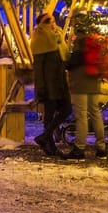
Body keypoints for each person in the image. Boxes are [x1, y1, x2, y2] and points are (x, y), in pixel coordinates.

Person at [63, 21, 108, 160]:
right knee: (96, 114)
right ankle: (101, 148)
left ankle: (79, 148)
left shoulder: (80, 44)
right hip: (94, 83)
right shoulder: (95, 44)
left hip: (81, 84)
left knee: (81, 116)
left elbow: (71, 63)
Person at [28, 11, 69, 157]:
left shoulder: (57, 37)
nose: (52, 23)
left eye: (52, 20)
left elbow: (64, 58)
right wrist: (41, 88)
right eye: (48, 21)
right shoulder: (40, 39)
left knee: (67, 109)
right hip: (49, 83)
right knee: (49, 115)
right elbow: (38, 68)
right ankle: (49, 145)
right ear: (42, 24)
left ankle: (45, 137)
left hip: (60, 81)